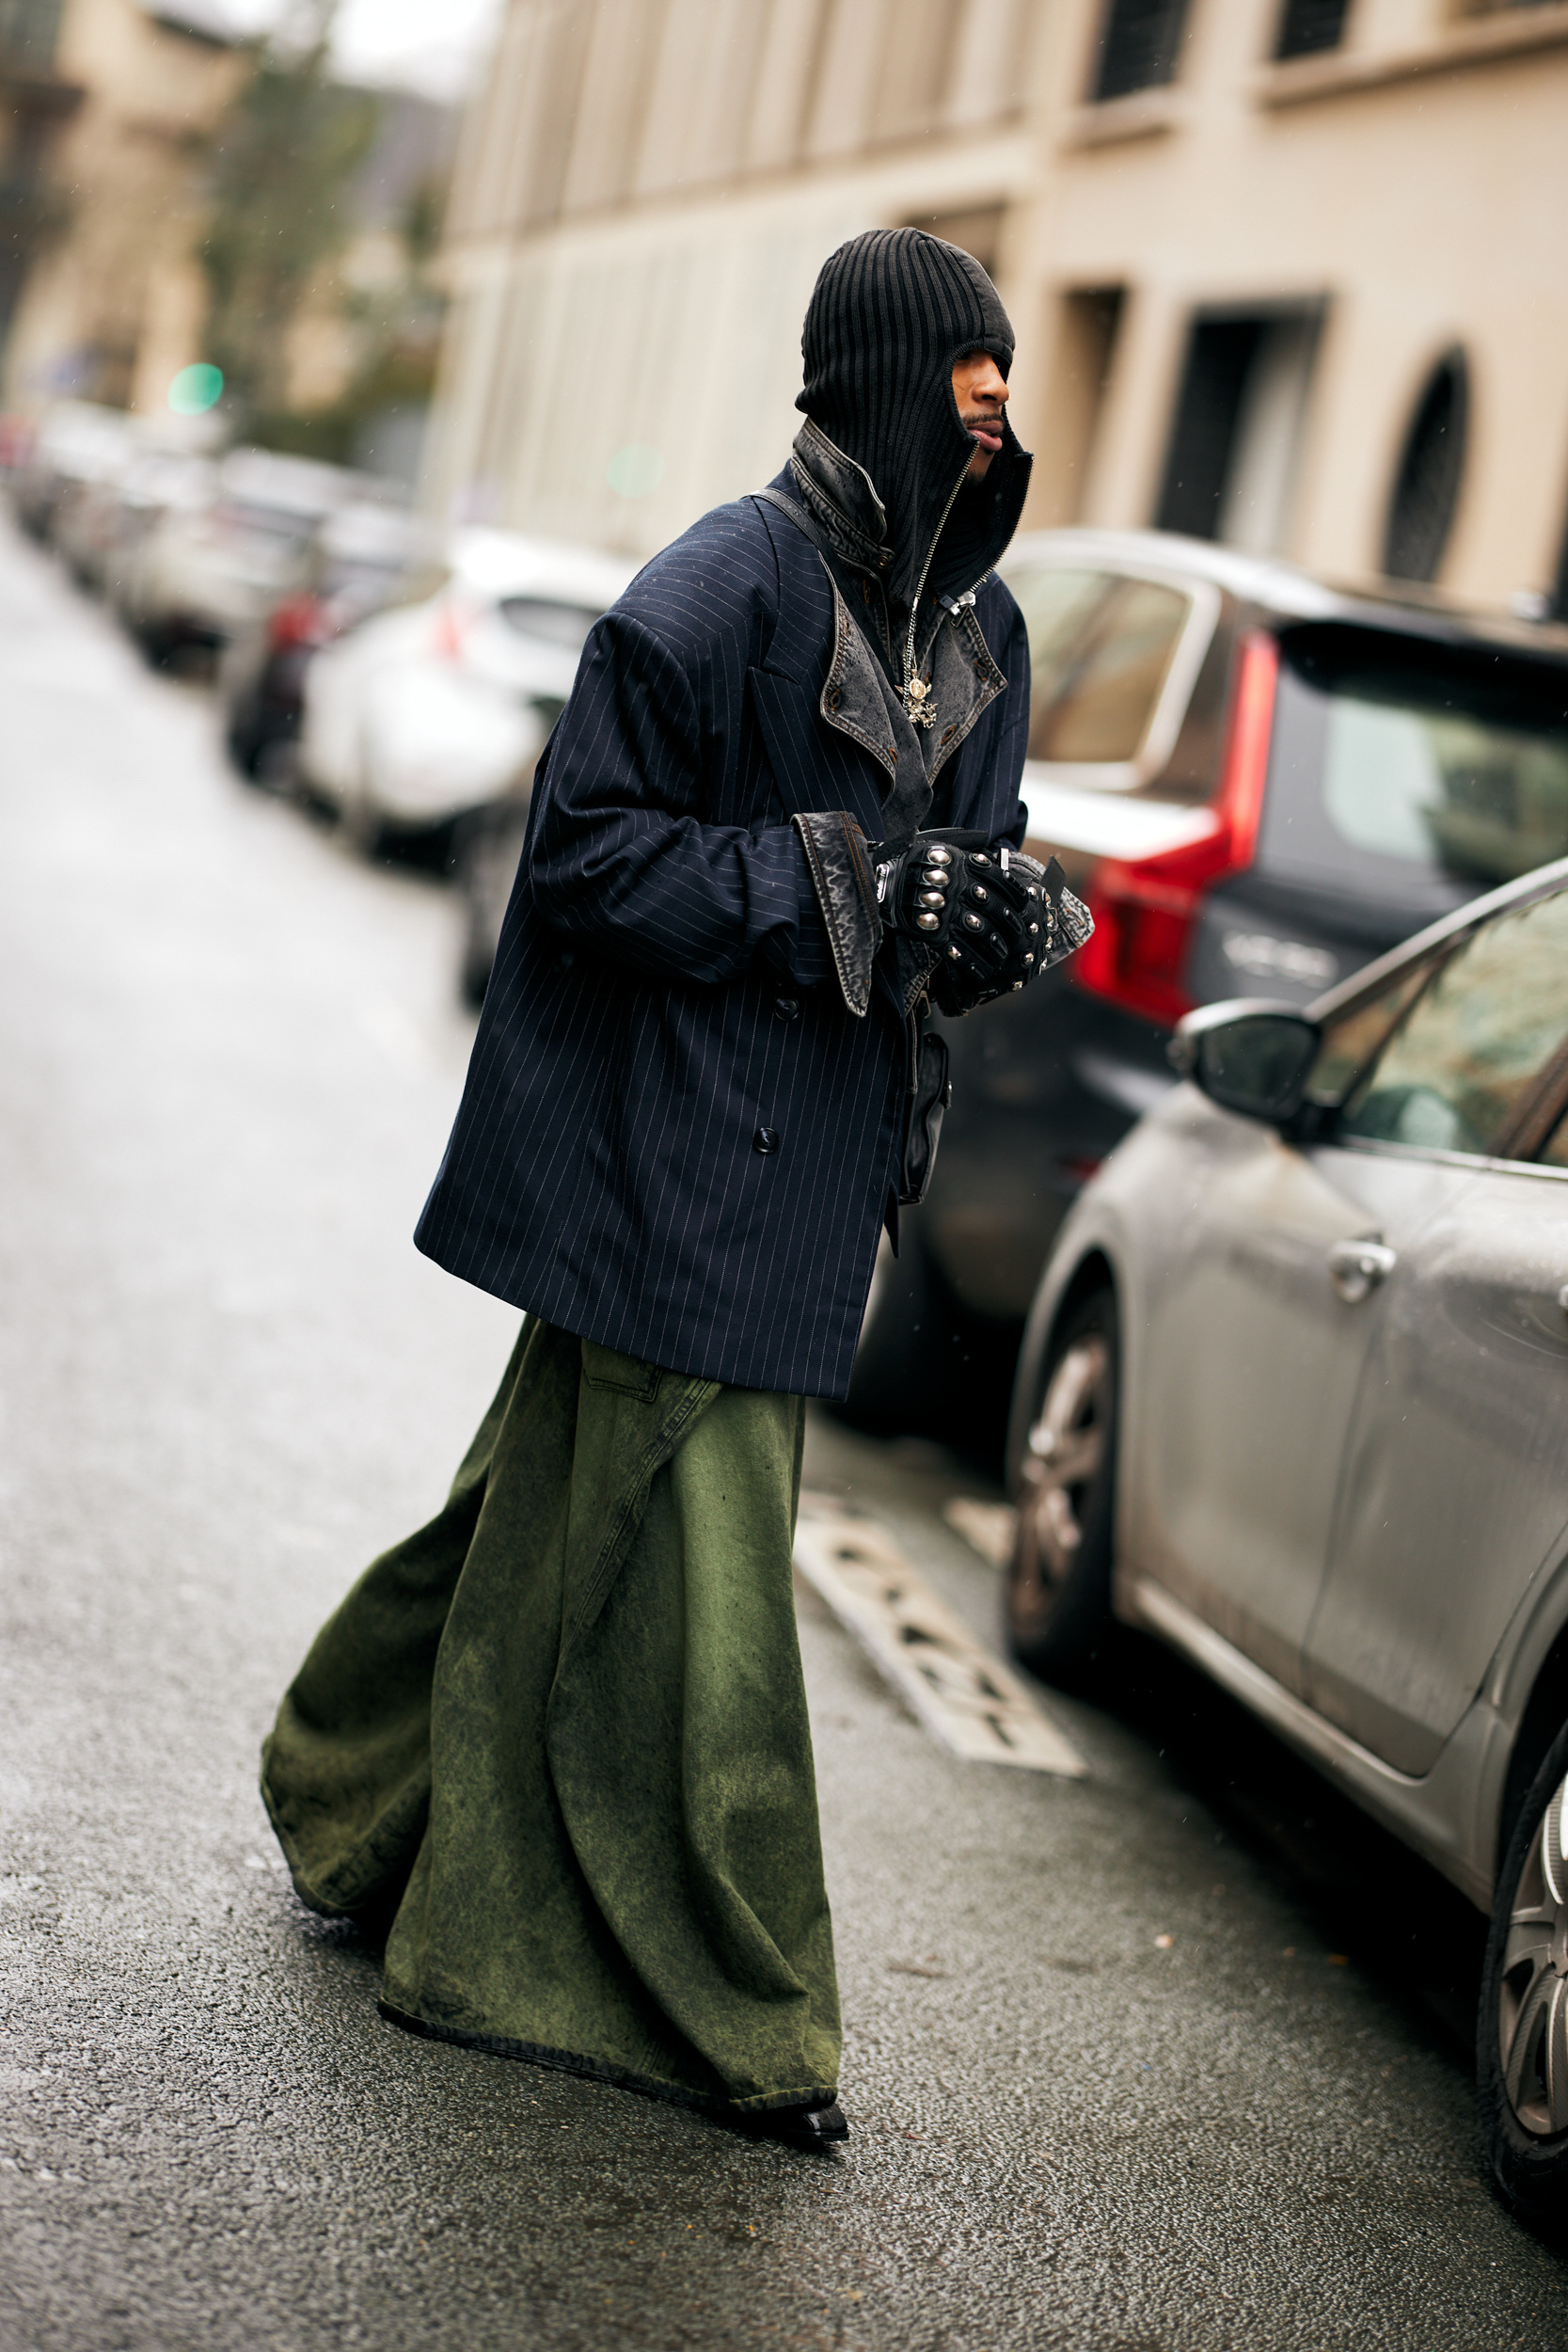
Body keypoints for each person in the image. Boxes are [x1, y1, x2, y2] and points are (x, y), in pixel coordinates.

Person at [260, 229, 1090, 2151]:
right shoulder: (713, 588)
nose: (997, 419)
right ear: (879, 383)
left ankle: (354, 1794)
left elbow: (960, 866)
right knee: (702, 1602)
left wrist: (994, 908)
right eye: (969, 386)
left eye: (1006, 391)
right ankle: (738, 2004)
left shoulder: (985, 635)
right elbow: (586, 861)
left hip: (820, 1184)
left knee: (542, 1519)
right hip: (675, 1171)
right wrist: (853, 890)